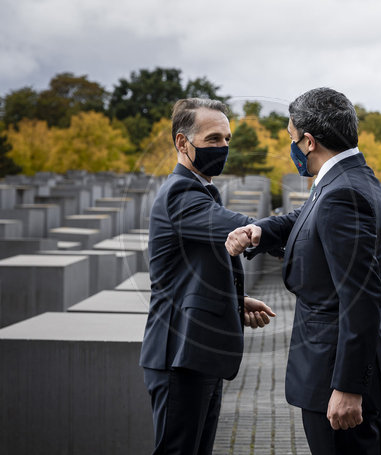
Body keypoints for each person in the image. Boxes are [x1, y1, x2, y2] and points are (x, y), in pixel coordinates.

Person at [226, 88, 381, 455]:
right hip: (337, 373)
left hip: (339, 384)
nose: (291, 146)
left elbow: (361, 298)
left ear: (308, 142)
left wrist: (348, 387)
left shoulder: (343, 193)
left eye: (291, 138)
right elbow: (306, 220)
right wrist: (261, 231)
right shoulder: (347, 178)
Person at [140, 98, 276, 455]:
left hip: (197, 352)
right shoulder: (182, 193)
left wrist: (234, 302)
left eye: (228, 139)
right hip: (178, 354)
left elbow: (192, 270)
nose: (223, 148)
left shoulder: (199, 191)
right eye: (214, 139)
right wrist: (297, 230)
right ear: (183, 143)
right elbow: (241, 227)